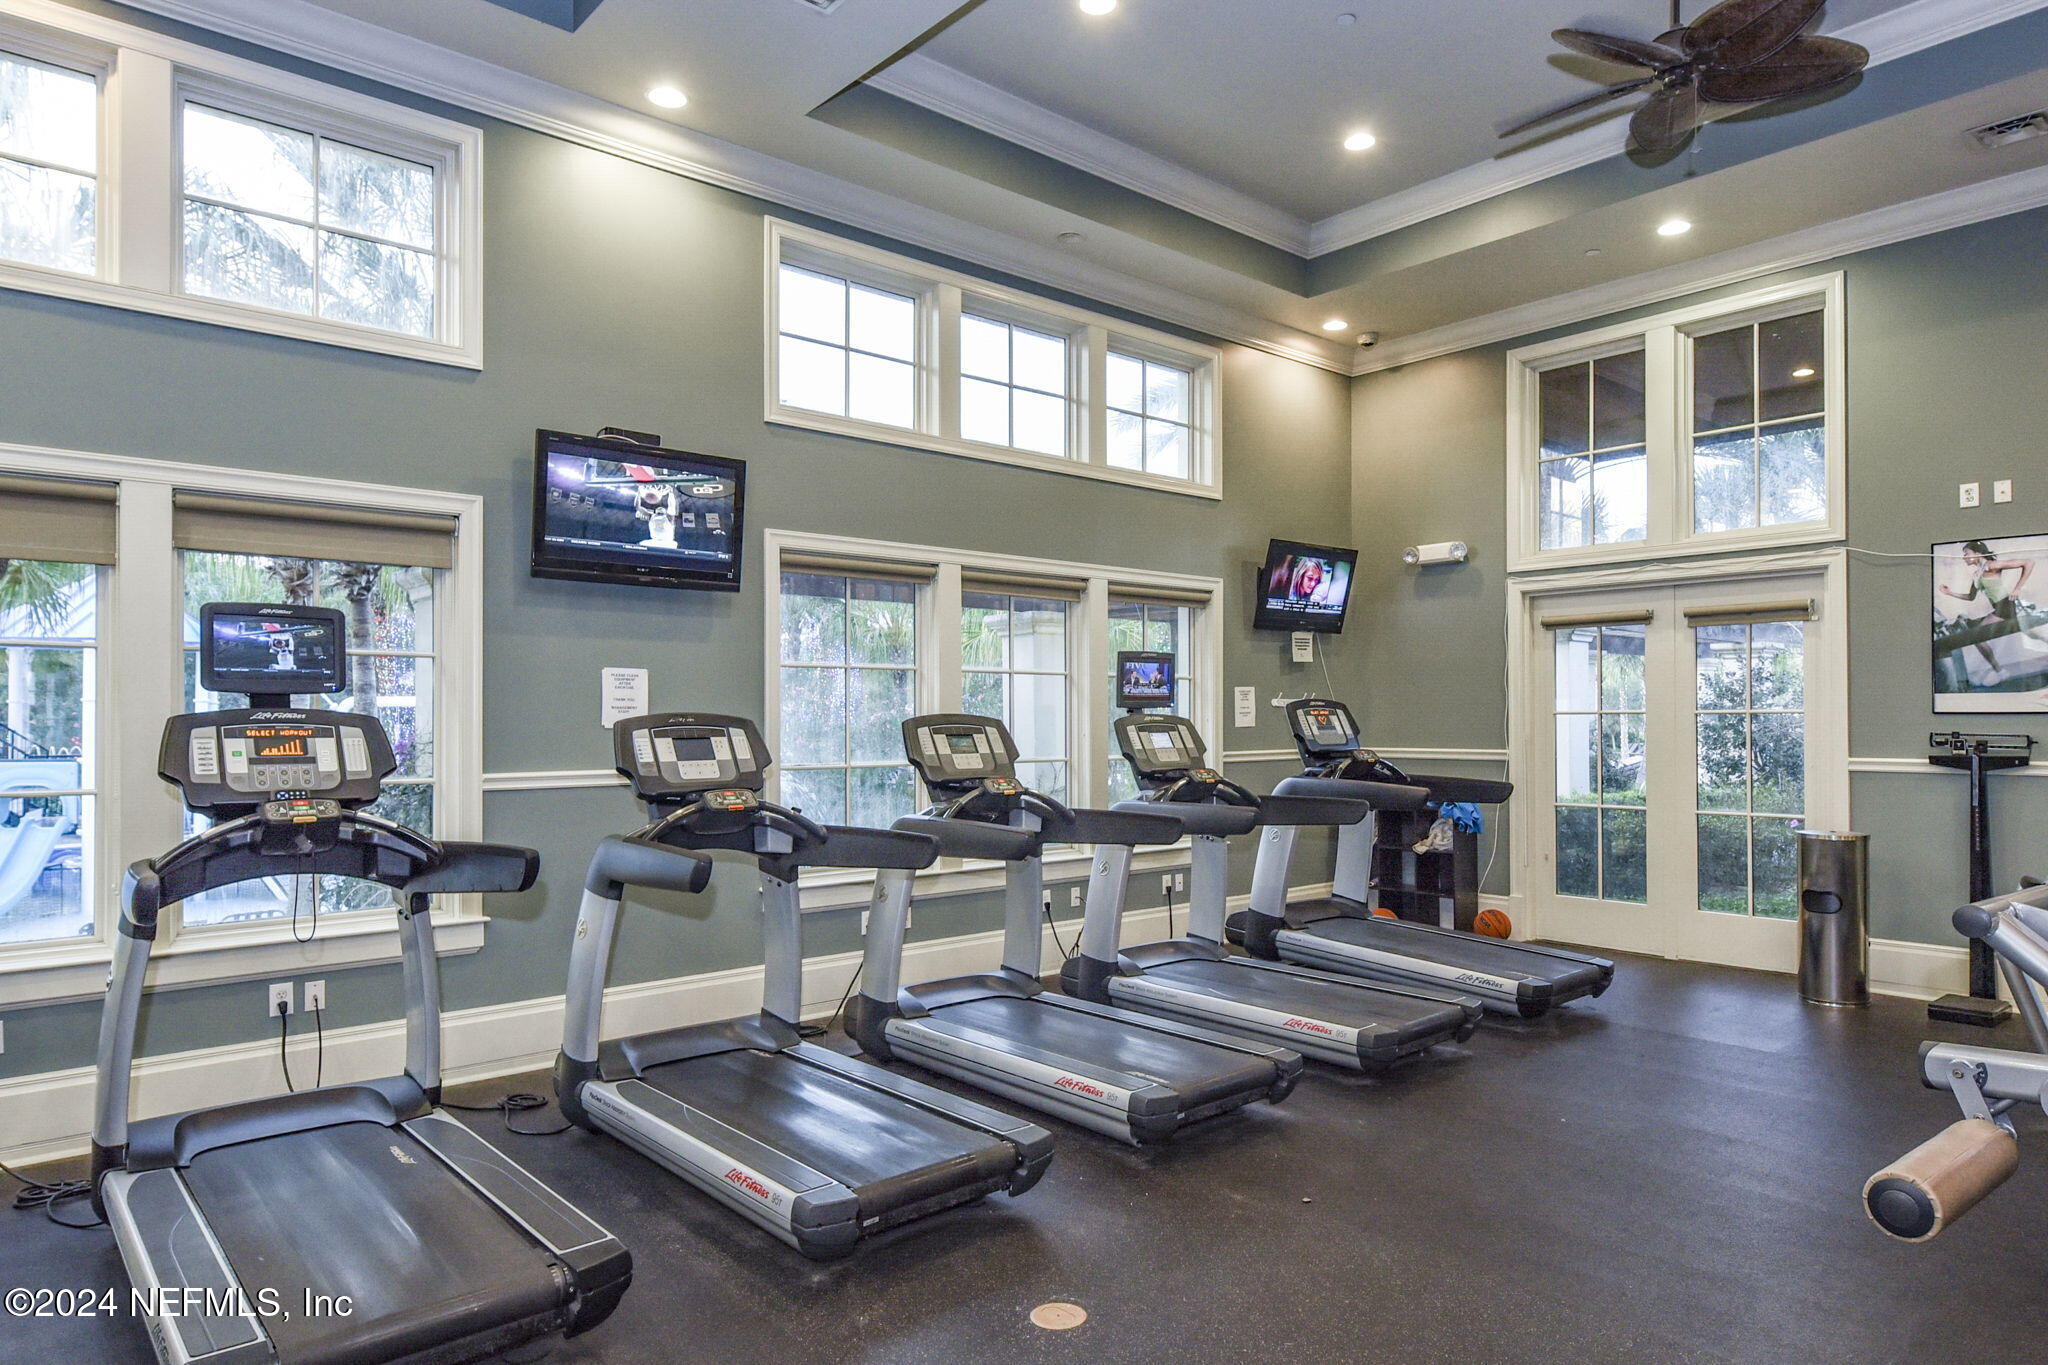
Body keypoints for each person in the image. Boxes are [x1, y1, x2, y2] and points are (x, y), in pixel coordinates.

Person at [1940, 540, 2048, 684]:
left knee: (1977, 637)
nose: (1964, 557)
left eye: (1966, 553)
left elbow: (2028, 562)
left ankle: (2000, 671)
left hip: (2006, 606)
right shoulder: (1977, 574)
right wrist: (1950, 593)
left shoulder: (1991, 565)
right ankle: (1999, 671)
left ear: (1977, 553)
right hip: (1999, 608)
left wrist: (2017, 588)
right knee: (2030, 633)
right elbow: (1971, 597)